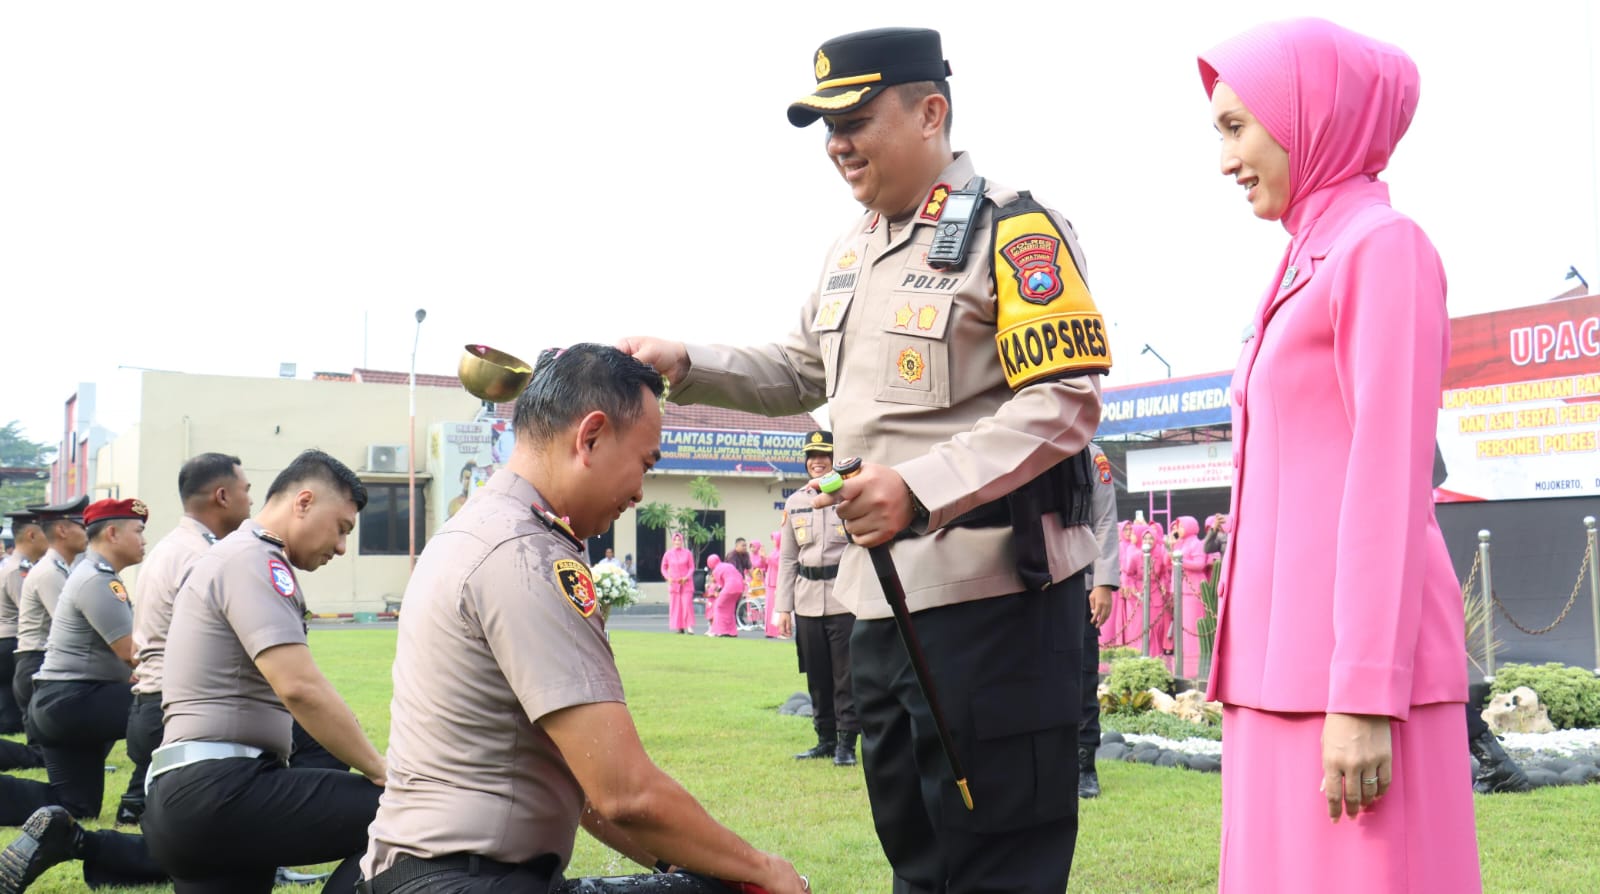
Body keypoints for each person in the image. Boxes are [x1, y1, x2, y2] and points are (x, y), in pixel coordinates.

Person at [621, 26, 1110, 893]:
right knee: (916, 858)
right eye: (827, 127)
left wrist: (918, 489)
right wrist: (689, 362)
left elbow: (1064, 402)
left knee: (999, 862)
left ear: (931, 112)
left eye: (854, 120)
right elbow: (801, 369)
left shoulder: (1014, 229)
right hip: (878, 603)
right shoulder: (854, 248)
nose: (837, 144)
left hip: (993, 602)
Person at [358, 344, 806, 894]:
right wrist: (762, 870)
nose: (639, 491)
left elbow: (588, 781)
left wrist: (692, 865)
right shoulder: (526, 553)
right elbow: (625, 793)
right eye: (644, 463)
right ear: (590, 437)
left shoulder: (481, 527)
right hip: (463, 879)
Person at [1200, 18, 1481, 891]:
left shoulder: (1381, 249)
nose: (1226, 159)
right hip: (1276, 682)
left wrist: (1362, 694)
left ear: (1311, 116)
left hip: (1349, 688)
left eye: (1237, 127)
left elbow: (1388, 483)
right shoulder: (1304, 262)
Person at [139, 449, 387, 893]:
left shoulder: (232, 554)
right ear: (304, 502)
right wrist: (382, 769)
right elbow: (299, 687)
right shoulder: (255, 559)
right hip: (221, 789)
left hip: (189, 794)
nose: (341, 546)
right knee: (405, 814)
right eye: (341, 528)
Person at [0, 499, 170, 892]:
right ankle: (137, 803)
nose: (144, 540)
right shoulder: (97, 579)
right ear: (112, 533)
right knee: (168, 710)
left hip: (62, 703)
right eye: (138, 531)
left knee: (76, 804)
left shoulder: (91, 574)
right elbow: (133, 652)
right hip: (74, 701)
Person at [119, 452, 254, 825]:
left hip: (152, 703)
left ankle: (134, 806)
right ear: (222, 496)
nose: (251, 500)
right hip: (181, 708)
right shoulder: (204, 557)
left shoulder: (171, 547)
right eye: (246, 490)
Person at [775, 430, 858, 765]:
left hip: (844, 598)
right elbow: (787, 558)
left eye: (824, 455)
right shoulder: (796, 502)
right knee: (817, 676)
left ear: (835, 460)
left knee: (846, 676)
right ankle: (824, 740)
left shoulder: (849, 497)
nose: (817, 462)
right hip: (807, 600)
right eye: (812, 456)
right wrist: (783, 608)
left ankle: (846, 746)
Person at [12, 497, 89, 736]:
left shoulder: (58, 568)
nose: (88, 532)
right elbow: (69, 624)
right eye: (82, 525)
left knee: (51, 746)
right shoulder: (50, 573)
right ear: (62, 530)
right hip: (37, 660)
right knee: (45, 747)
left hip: (38, 659)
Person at [1078, 444, 1119, 799]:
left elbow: (1104, 518)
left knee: (1082, 676)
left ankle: (1084, 765)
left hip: (1080, 584)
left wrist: (1103, 582)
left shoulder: (1090, 455)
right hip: (1033, 583)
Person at [0, 510, 47, 742]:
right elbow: (27, 610)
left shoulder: (16, 566)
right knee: (12, 713)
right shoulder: (18, 570)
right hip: (12, 640)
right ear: (31, 535)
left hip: (9, 640)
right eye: (44, 531)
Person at [1171, 516, 1208, 678]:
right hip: (1181, 590)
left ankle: (1194, 664)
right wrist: (1172, 545)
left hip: (1193, 591)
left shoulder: (1196, 543)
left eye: (1181, 526)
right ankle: (1183, 663)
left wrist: (1180, 561)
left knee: (1192, 627)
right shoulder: (1180, 543)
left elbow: (1200, 564)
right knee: (1182, 627)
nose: (1178, 530)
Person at [661, 532, 696, 634]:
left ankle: (689, 626)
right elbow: (663, 568)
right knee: (676, 606)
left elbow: (691, 567)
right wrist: (668, 577)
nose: (677, 542)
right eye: (675, 540)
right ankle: (679, 627)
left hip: (686, 583)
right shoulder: (668, 554)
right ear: (673, 541)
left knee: (687, 604)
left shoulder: (687, 553)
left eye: (679, 540)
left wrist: (686, 577)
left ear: (682, 541)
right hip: (674, 584)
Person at [704, 554, 741, 638]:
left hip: (730, 587)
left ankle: (719, 630)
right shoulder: (728, 565)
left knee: (718, 606)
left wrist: (716, 592)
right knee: (730, 609)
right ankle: (731, 631)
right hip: (739, 587)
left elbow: (720, 585)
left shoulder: (716, 570)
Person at [762, 532, 783, 638]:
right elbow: (768, 563)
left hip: (777, 582)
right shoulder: (774, 551)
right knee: (769, 608)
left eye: (775, 539)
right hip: (770, 582)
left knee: (776, 608)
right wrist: (764, 558)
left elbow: (780, 566)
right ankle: (770, 631)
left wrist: (768, 558)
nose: (773, 541)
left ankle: (778, 630)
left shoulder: (783, 552)